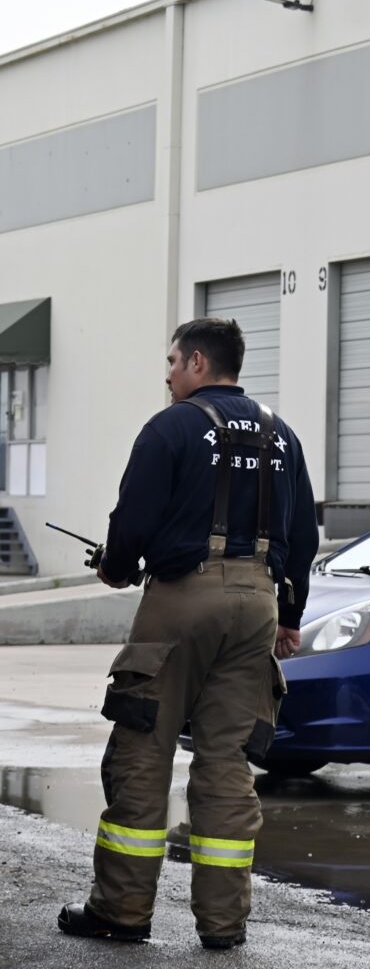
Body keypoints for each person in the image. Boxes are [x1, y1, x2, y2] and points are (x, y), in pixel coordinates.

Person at [57, 317, 319, 948]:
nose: (169, 375)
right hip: (257, 603)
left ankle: (122, 912)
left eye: (173, 362)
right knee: (227, 761)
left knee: (143, 749)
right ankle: (225, 925)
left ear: (199, 362)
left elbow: (133, 520)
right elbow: (302, 535)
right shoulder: (281, 435)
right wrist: (289, 616)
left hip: (182, 601)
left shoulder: (170, 427)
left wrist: (116, 567)